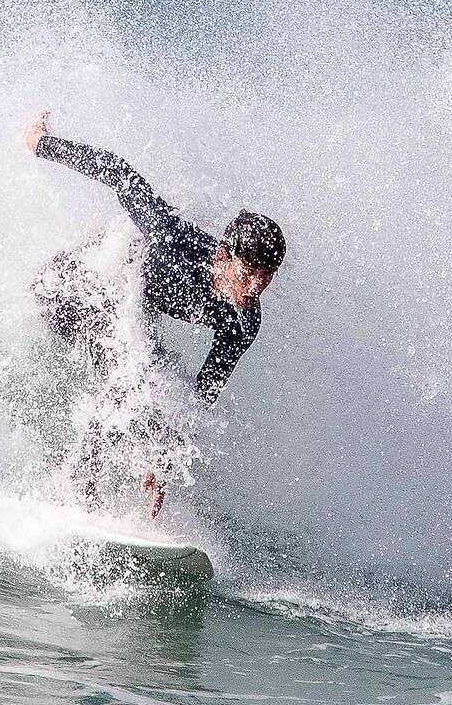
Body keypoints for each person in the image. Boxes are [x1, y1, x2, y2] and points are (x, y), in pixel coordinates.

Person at [21, 110, 285, 517]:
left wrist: (165, 457)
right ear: (223, 257)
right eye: (248, 274)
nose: (255, 289)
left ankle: (87, 486)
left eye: (266, 277)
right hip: (71, 288)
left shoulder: (243, 321)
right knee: (130, 379)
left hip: (121, 312)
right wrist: (42, 144)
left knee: (157, 387)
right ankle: (75, 491)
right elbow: (118, 172)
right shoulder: (171, 241)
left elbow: (200, 396)